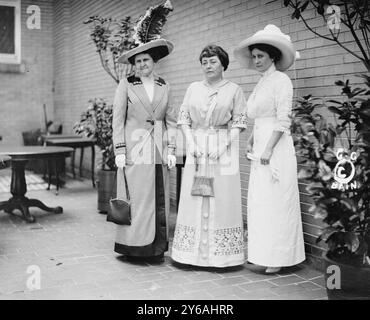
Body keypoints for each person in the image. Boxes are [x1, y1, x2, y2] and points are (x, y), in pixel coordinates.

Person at [234, 24, 306, 273]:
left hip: (277, 147)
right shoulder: (262, 82)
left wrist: (268, 149)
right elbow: (260, 116)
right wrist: (252, 139)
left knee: (276, 201)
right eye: (253, 57)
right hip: (261, 143)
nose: (256, 61)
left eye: (260, 56)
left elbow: (283, 119)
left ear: (272, 56)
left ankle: (279, 257)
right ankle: (262, 253)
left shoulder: (281, 81)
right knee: (260, 201)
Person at [171, 44, 247, 267]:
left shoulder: (234, 89)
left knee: (221, 196)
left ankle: (220, 256)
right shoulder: (193, 88)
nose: (208, 66)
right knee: (195, 195)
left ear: (223, 64)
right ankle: (190, 254)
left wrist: (223, 146)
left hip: (222, 149)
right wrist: (191, 142)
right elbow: (184, 118)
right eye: (204, 62)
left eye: (212, 61)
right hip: (197, 147)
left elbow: (240, 121)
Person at [112, 36, 177, 263]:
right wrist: (120, 150)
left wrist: (171, 149)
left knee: (157, 199)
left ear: (154, 61)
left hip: (158, 149)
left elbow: (172, 121)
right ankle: (133, 247)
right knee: (137, 199)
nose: (141, 65)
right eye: (137, 61)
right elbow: (118, 120)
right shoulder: (126, 84)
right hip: (133, 149)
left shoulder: (164, 86)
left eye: (145, 60)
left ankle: (156, 248)